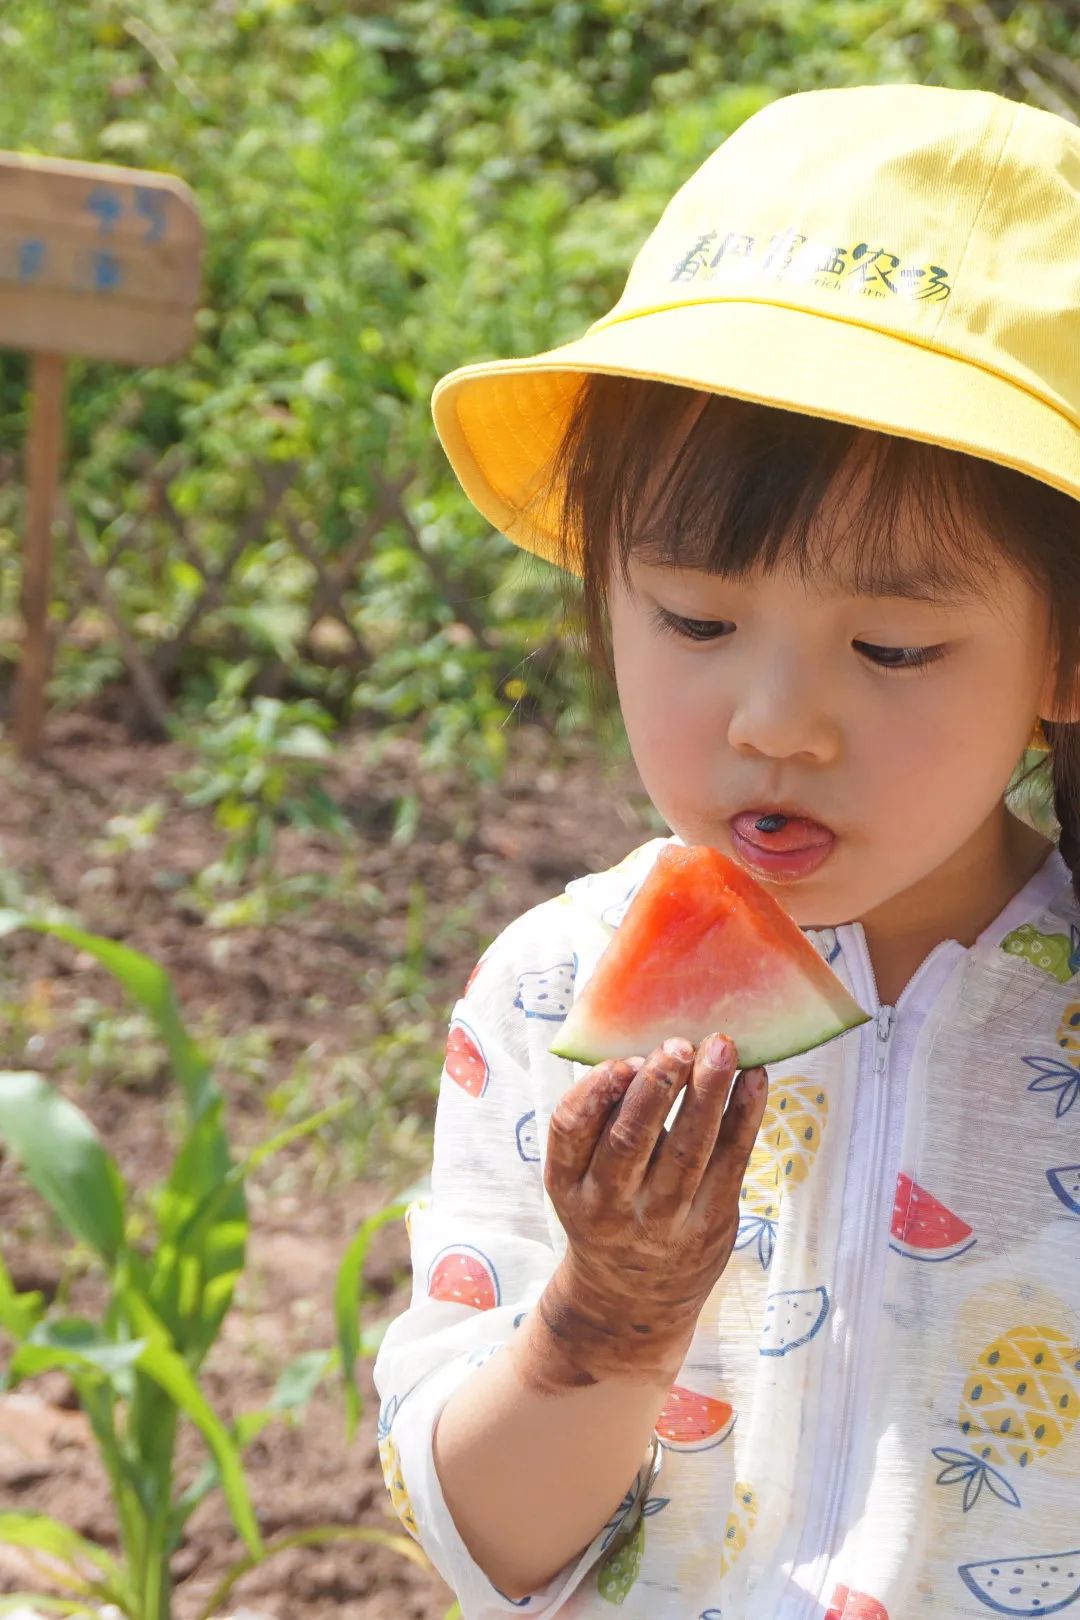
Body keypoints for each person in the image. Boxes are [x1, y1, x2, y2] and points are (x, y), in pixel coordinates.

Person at [371, 82, 1080, 1620]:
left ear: (1065, 652)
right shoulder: (549, 990)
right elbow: (488, 1546)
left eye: (892, 647)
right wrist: (608, 1321)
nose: (777, 725)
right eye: (695, 620)